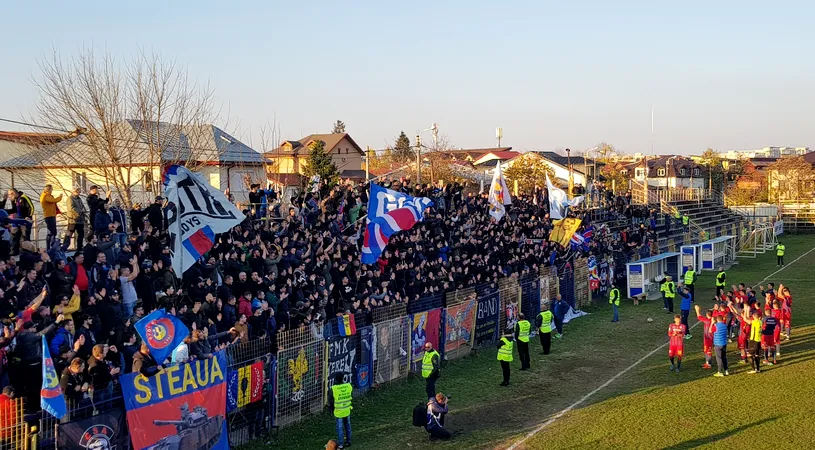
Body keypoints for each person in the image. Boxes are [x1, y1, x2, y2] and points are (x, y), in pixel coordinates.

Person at [328, 373, 352, 448]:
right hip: (347, 409)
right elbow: (351, 396)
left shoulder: (334, 388)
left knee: (340, 427)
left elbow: (331, 401)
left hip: (338, 411)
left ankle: (341, 444)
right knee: (347, 425)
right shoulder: (348, 386)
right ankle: (348, 441)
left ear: (336, 379)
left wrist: (331, 409)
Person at [39, 185, 62, 249]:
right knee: (51, 232)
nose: (52, 191)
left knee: (53, 231)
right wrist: (60, 197)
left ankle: (52, 244)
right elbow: (54, 200)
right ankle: (50, 246)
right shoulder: (45, 196)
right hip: (49, 216)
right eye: (51, 189)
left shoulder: (47, 196)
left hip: (51, 215)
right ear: (48, 190)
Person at [694, 304, 713, 369]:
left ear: (707, 315)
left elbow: (699, 316)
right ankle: (707, 362)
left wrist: (697, 310)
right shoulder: (712, 320)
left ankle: (709, 364)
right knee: (706, 350)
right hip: (708, 337)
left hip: (709, 338)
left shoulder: (707, 321)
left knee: (708, 351)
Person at [711, 312, 729, 376]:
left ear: (717, 319)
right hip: (724, 343)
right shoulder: (724, 325)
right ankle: (726, 370)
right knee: (724, 357)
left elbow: (710, 331)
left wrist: (712, 323)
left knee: (719, 358)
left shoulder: (716, 326)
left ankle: (719, 371)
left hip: (717, 344)